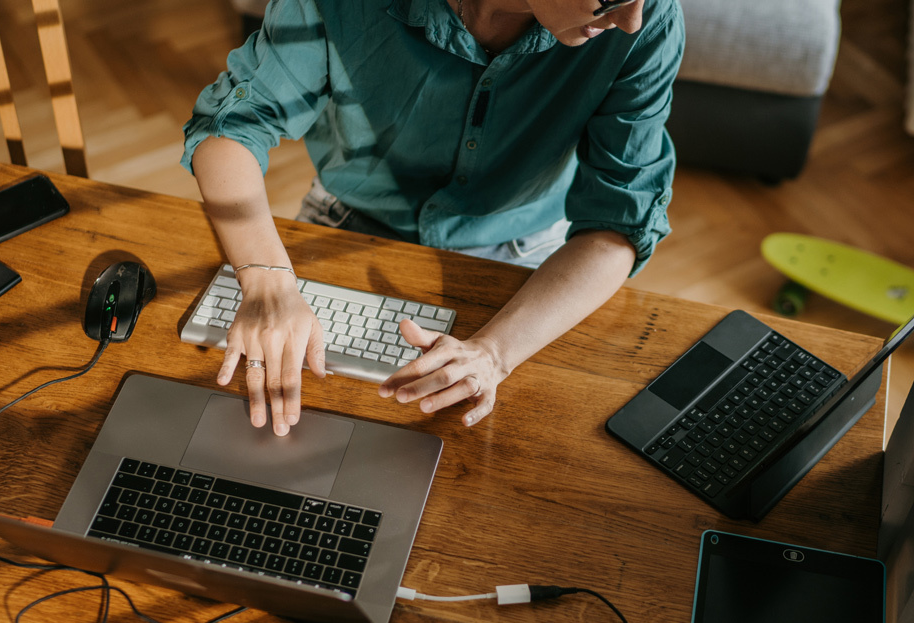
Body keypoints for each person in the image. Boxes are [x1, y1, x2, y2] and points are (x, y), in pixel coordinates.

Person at [181, 0, 683, 436]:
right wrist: (267, 281)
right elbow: (230, 130)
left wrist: (494, 353)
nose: (632, 20)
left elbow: (618, 222)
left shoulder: (649, 17)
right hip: (345, 219)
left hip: (529, 253)